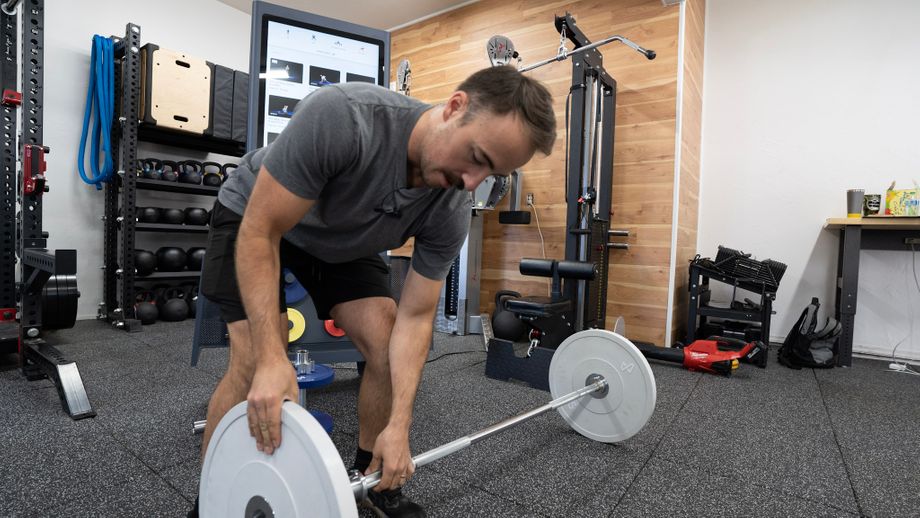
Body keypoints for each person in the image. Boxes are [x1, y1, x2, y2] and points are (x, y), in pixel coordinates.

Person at [195, 65, 556, 518]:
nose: (471, 182)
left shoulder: (452, 204)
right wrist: (273, 358)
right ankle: (209, 501)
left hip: (343, 240)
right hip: (257, 215)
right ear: (454, 107)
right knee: (252, 364)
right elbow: (262, 231)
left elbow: (416, 315)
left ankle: (371, 481)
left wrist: (400, 424)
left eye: (490, 174)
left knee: (385, 343)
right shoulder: (346, 117)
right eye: (477, 157)